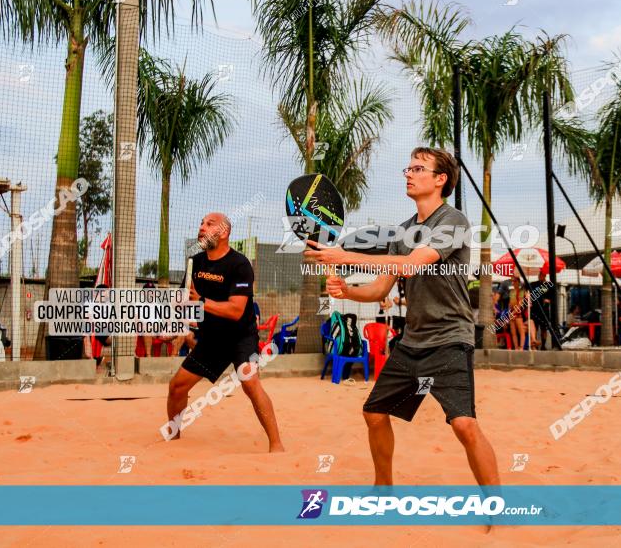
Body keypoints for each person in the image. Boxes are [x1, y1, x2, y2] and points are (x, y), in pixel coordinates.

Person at [307, 146, 500, 486]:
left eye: (417, 169)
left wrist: (345, 254)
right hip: (413, 340)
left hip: (450, 338)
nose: (408, 174)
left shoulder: (453, 221)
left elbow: (412, 264)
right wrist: (349, 292)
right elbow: (380, 290)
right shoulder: (402, 233)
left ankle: (497, 509)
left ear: (440, 179)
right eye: (407, 168)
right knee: (375, 413)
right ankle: (383, 487)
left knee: (464, 425)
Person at [165, 212, 285, 453]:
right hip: (212, 339)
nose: (201, 227)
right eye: (201, 223)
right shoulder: (195, 262)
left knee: (250, 383)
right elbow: (186, 301)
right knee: (177, 386)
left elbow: (236, 310)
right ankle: (174, 440)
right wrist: (180, 323)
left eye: (209, 224)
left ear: (224, 233)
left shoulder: (239, 264)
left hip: (241, 336)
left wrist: (200, 302)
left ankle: (276, 444)